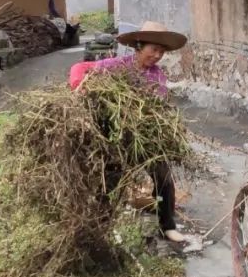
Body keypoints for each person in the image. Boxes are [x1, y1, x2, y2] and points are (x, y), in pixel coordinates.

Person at [68, 20, 188, 243]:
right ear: (139, 46)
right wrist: (79, 85)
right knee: (111, 179)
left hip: (144, 137)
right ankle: (99, 226)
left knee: (163, 175)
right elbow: (80, 68)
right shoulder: (117, 65)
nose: (157, 56)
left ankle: (167, 225)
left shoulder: (158, 76)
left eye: (161, 52)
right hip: (117, 136)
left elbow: (157, 107)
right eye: (154, 49)